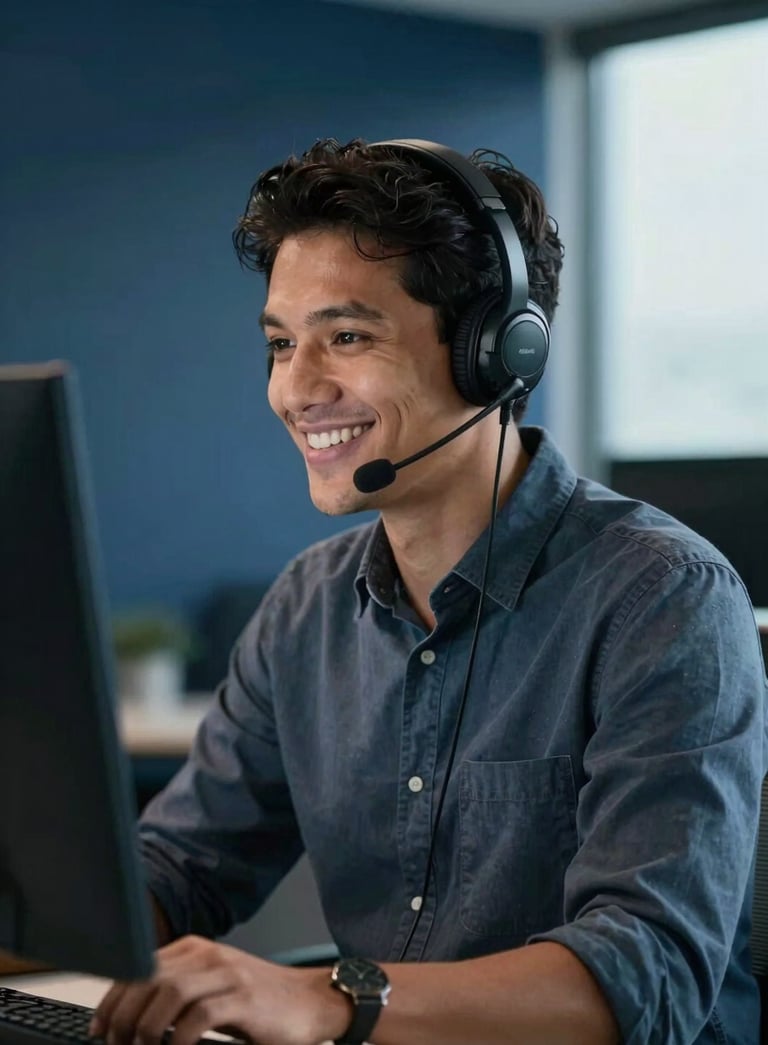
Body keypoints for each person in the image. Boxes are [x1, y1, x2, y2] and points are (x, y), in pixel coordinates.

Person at [91, 138, 766, 1045]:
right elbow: (178, 867)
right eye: (282, 344)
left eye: (347, 337)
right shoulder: (307, 607)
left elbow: (646, 971)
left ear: (497, 348)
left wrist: (329, 997)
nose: (297, 388)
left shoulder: (662, 597)